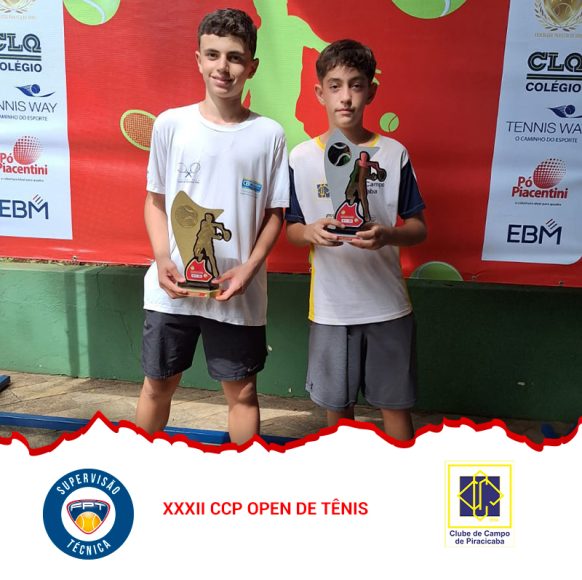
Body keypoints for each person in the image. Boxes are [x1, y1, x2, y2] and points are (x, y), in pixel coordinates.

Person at [136, 8, 289, 444]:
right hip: (173, 290)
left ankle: (243, 477)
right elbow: (155, 201)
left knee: (243, 393)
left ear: (251, 67)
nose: (223, 67)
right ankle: (133, 467)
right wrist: (162, 259)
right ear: (199, 60)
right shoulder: (171, 124)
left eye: (235, 57)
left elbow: (275, 214)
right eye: (213, 55)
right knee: (157, 385)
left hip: (238, 293)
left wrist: (249, 269)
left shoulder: (270, 135)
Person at [285, 39, 427, 441]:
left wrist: (388, 234)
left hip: (388, 308)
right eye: (335, 86)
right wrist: (310, 232)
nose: (345, 97)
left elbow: (419, 228)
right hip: (331, 311)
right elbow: (292, 228)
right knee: (338, 415)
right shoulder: (301, 157)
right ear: (320, 93)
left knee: (395, 410)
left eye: (356, 85)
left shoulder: (393, 153)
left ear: (371, 91)